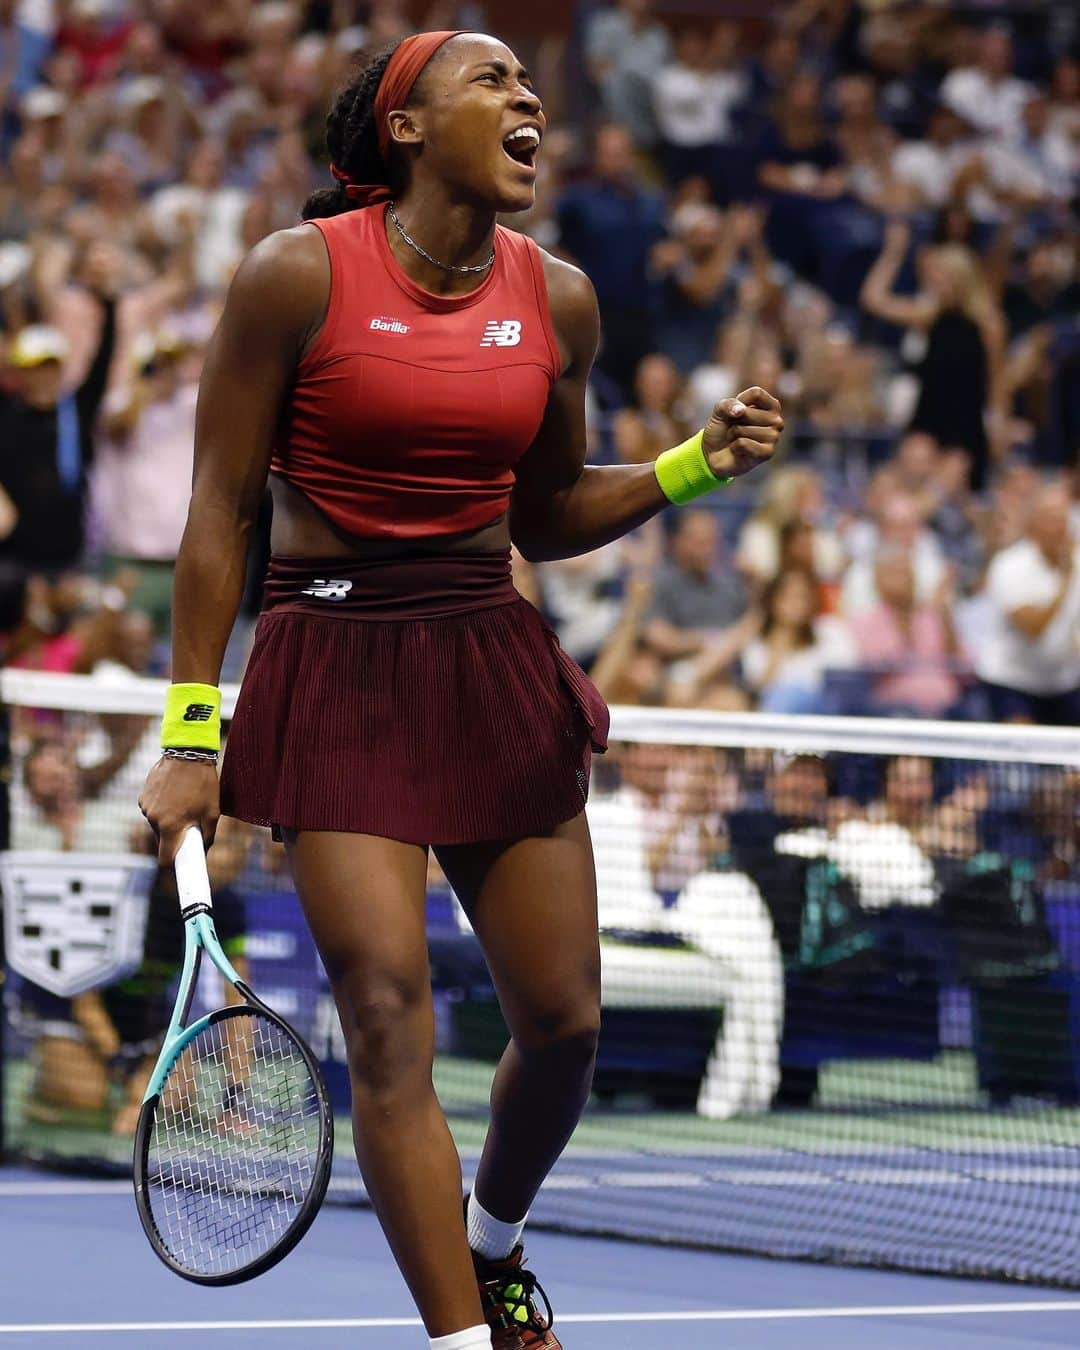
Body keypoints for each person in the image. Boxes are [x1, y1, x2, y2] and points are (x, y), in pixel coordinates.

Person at [138, 32, 781, 1350]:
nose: (526, 95)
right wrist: (192, 732)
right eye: (490, 80)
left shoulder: (563, 300)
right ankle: (463, 1338)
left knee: (565, 1024)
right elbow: (216, 518)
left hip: (485, 651)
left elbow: (542, 517)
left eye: (527, 82)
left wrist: (690, 467)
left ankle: (495, 1243)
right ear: (408, 127)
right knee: (384, 1012)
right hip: (331, 657)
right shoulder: (295, 277)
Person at [860, 221, 1006, 490]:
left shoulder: (988, 324)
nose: (933, 282)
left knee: (950, 485)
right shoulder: (929, 315)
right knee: (906, 479)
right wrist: (893, 253)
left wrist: (999, 424)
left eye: (940, 275)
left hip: (966, 423)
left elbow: (998, 381)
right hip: (928, 416)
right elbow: (874, 299)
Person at [973, 479, 1080, 726]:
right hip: (1011, 680)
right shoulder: (1009, 565)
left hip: (1063, 681)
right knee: (1020, 756)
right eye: (1052, 519)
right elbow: (1032, 627)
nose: (1061, 527)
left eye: (1064, 519)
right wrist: (1064, 582)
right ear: (1034, 525)